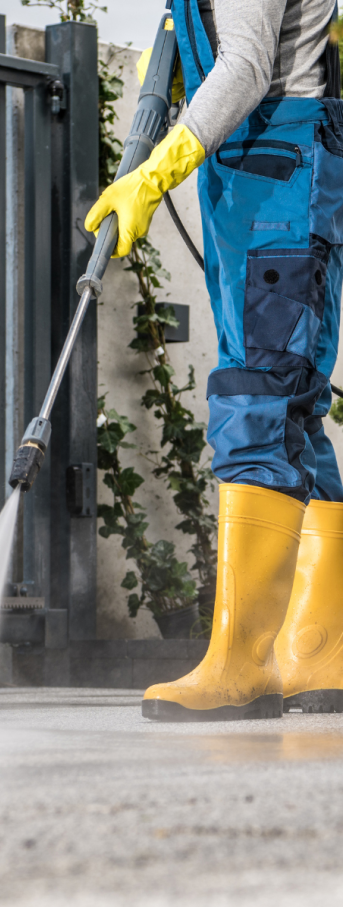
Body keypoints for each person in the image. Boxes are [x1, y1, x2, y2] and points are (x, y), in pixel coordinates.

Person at [85, 0, 343, 720]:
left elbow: (245, 66)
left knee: (257, 398)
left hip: (275, 172)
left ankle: (241, 662)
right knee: (293, 408)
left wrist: (151, 173)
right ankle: (322, 652)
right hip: (264, 168)